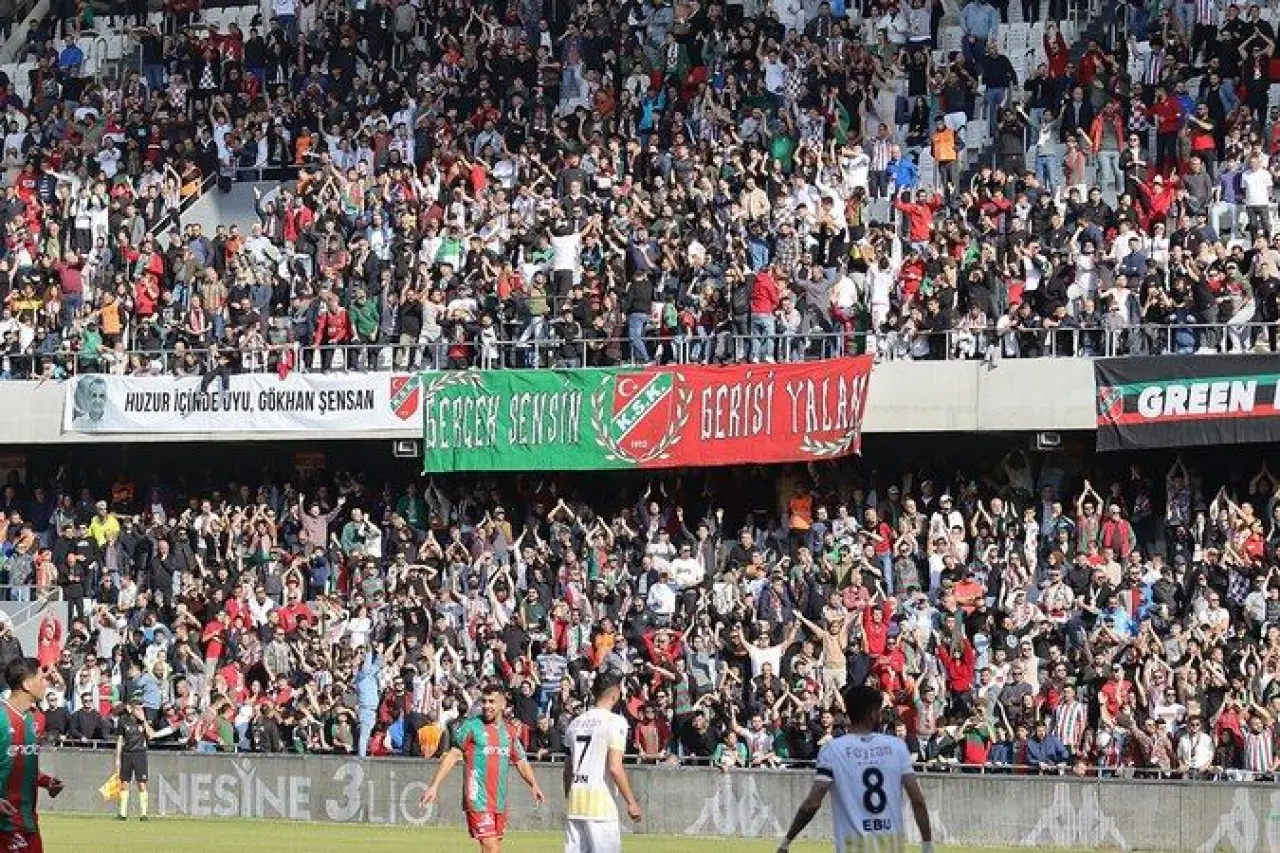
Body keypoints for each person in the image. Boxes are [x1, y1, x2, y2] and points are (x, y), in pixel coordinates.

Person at [776, 685, 933, 853]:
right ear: (873, 714)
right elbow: (917, 800)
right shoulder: (897, 747)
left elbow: (812, 804)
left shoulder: (833, 750)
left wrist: (786, 842)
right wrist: (927, 846)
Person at [421, 684, 546, 852]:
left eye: (492, 702)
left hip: (499, 801)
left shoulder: (509, 732)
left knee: (493, 848)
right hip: (477, 799)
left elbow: (521, 761)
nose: (487, 706)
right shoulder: (471, 726)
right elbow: (453, 755)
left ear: (503, 704)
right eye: (484, 701)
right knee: (491, 848)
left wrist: (533, 784)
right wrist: (434, 786)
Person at [562, 672, 642, 853]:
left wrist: (569, 795)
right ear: (615, 694)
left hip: (576, 804)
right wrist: (631, 802)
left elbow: (568, 769)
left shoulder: (575, 723)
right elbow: (615, 767)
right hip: (600, 806)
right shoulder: (615, 722)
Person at [0, 658, 64, 853]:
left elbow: (23, 764)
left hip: (28, 823)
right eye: (41, 679)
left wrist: (46, 781)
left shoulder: (38, 718)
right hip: (3, 826)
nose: (46, 683)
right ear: (27, 684)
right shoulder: (1, 717)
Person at [115, 697, 155, 821]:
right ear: (130, 709)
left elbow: (151, 735)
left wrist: (144, 721)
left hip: (140, 754)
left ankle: (144, 814)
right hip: (127, 754)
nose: (140, 711)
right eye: (137, 708)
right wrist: (117, 758)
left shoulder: (143, 721)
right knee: (124, 783)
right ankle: (122, 813)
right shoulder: (123, 720)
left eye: (141, 708)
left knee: (141, 783)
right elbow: (120, 739)